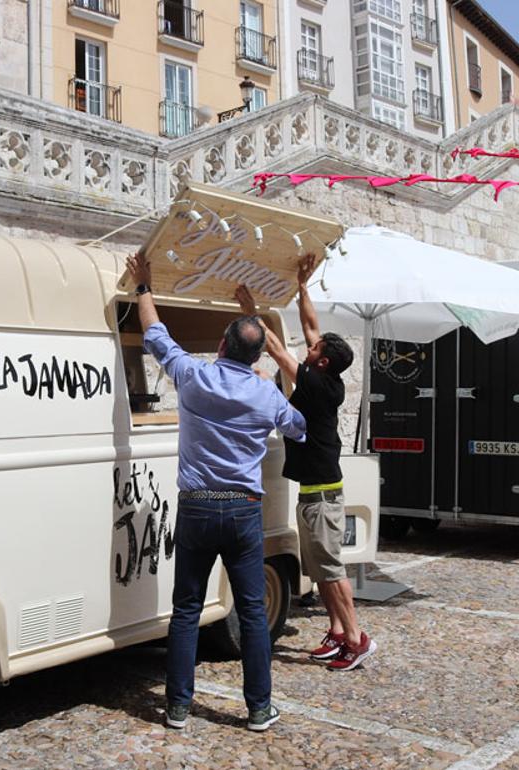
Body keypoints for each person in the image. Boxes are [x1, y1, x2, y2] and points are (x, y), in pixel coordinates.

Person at [127, 251, 307, 734]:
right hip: (244, 510)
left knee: (186, 609)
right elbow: (300, 427)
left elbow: (155, 335)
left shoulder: (194, 376)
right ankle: (258, 709)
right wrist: (276, 375)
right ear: (255, 354)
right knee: (251, 612)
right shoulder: (266, 394)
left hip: (197, 507)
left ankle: (178, 708)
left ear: (223, 347)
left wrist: (145, 286)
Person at [237, 256, 376, 673]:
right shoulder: (325, 375)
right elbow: (312, 327)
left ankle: (355, 639)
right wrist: (301, 286)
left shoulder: (314, 384)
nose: (308, 344)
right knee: (318, 570)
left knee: (331, 571)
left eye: (313, 349)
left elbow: (275, 349)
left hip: (321, 497)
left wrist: (250, 313)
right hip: (316, 494)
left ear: (321, 363)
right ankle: (336, 632)